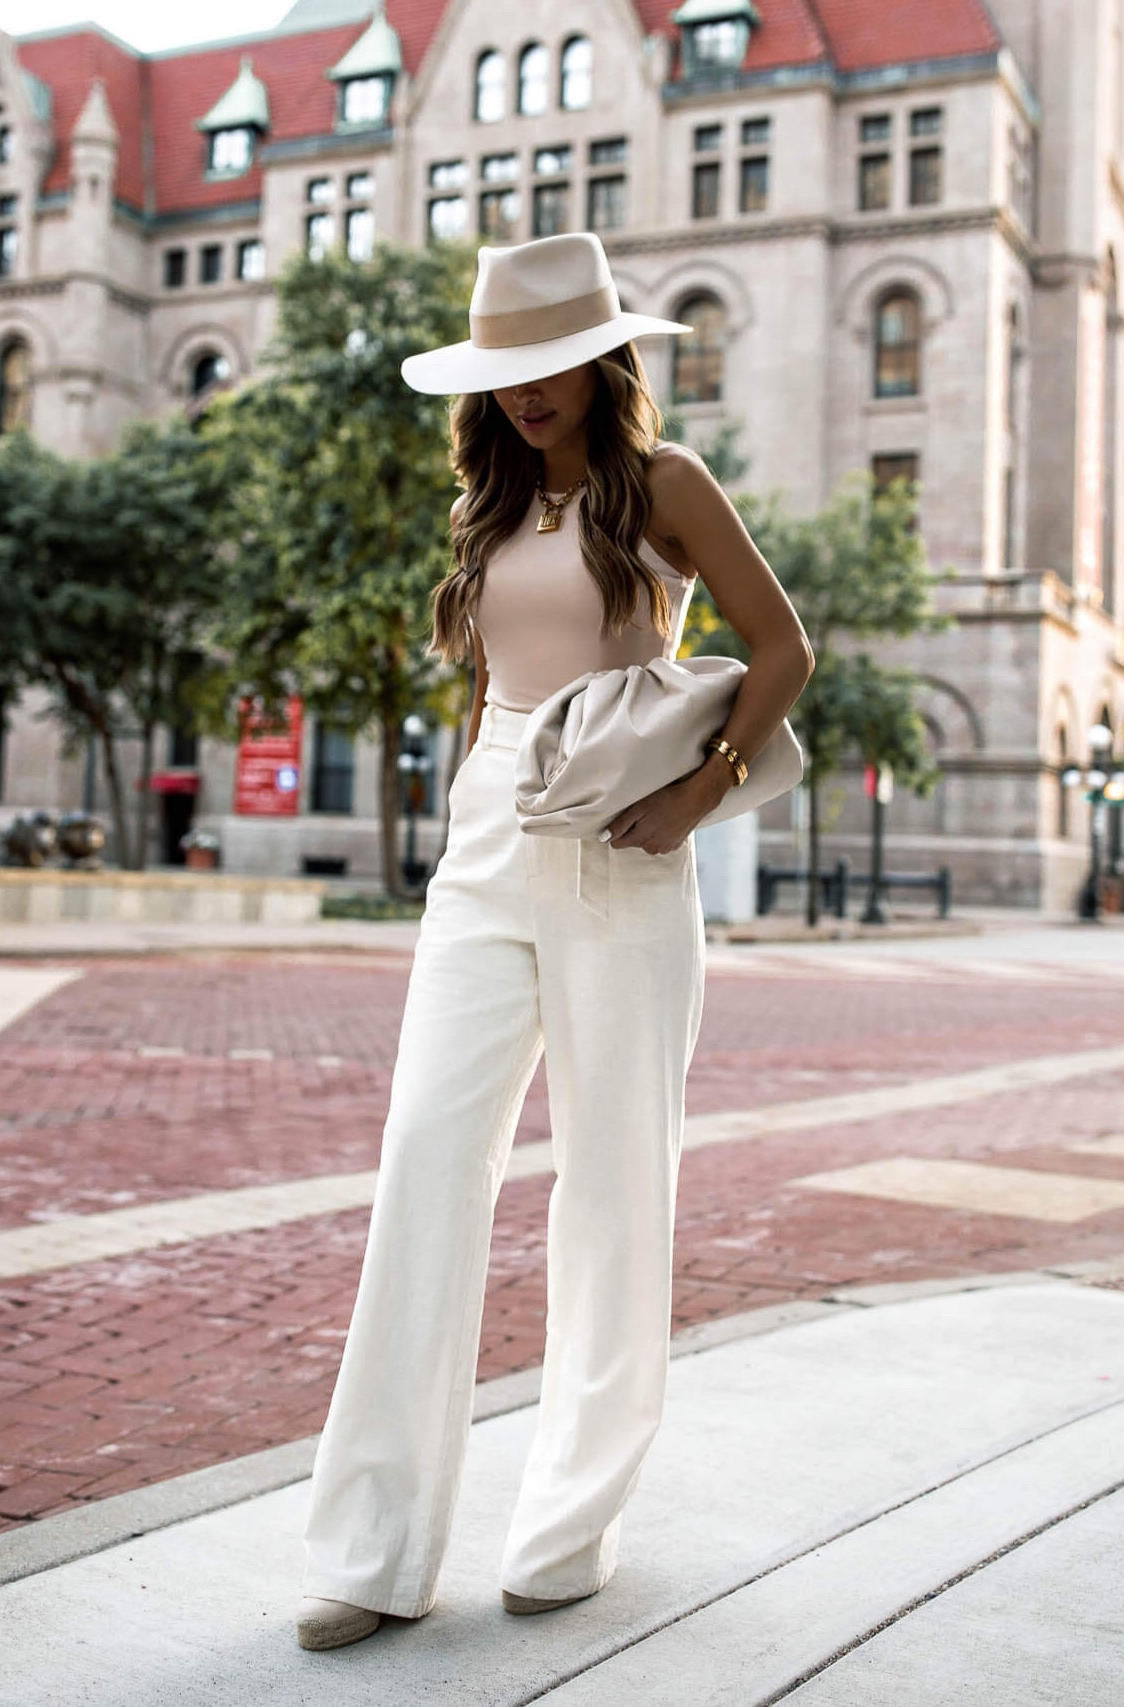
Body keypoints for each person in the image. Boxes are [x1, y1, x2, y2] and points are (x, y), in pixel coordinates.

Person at [297, 232, 814, 1651]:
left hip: (618, 850)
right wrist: (475, 809)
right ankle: (374, 1543)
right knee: (424, 1157)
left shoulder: (664, 488)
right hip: (486, 834)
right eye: (502, 371)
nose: (525, 394)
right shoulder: (487, 502)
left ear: (598, 359)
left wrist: (700, 796)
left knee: (609, 1185)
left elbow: (781, 649)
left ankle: (569, 1524)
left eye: (547, 367)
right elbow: (492, 691)